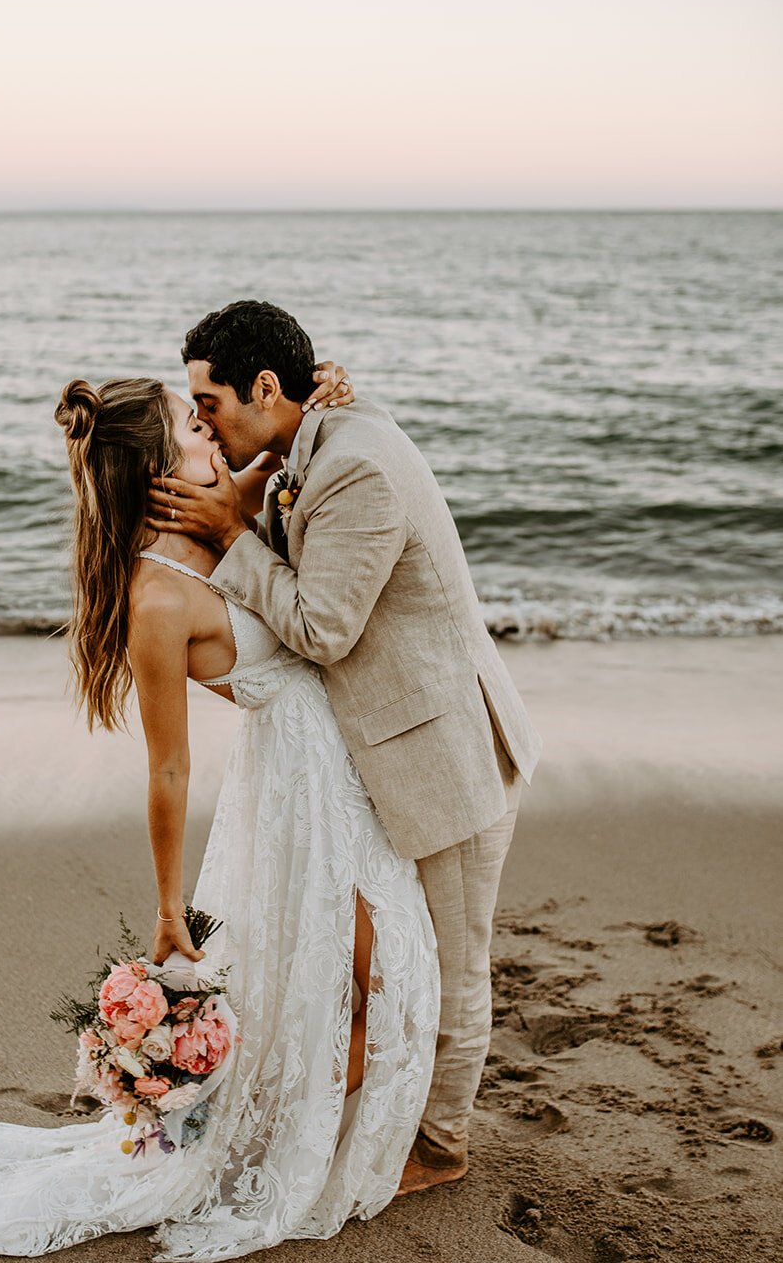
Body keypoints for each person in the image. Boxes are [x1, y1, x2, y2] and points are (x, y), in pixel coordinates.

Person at [0, 370, 439, 1263]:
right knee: (357, 979)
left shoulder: (208, 514)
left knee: (361, 979)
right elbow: (168, 768)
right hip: (297, 789)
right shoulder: (156, 597)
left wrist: (326, 396)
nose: (208, 429)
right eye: (192, 424)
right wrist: (164, 907)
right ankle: (294, 1154)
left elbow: (278, 461)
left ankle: (313, 1140)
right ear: (157, 465)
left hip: (334, 763)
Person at [146, 300, 542, 1195]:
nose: (201, 420)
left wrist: (227, 538)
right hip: (391, 747)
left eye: (209, 403)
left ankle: (440, 1148)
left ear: (265, 387)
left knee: (455, 963)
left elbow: (322, 629)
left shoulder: (353, 466)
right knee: (400, 962)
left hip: (447, 753)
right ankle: (389, 1112)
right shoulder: (318, 434)